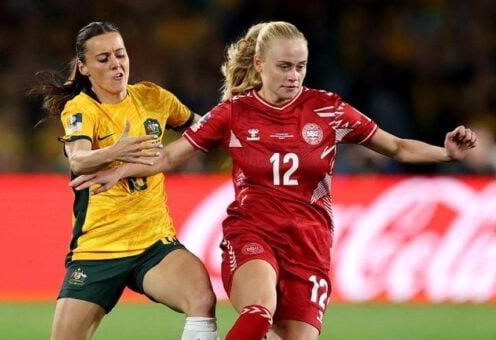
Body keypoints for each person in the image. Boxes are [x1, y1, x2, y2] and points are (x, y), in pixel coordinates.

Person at [70, 21, 477, 340]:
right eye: (284, 66)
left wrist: (446, 153)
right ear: (260, 65)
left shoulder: (329, 110)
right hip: (253, 232)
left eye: (300, 66)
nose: (293, 76)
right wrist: (122, 168)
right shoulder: (232, 113)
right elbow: (171, 156)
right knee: (257, 311)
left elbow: (399, 148)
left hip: (309, 244)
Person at [30, 21, 219, 340]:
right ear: (85, 68)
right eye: (103, 59)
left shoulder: (152, 98)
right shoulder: (82, 109)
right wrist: (116, 150)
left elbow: (203, 132)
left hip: (153, 243)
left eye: (120, 54)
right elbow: (78, 158)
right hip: (98, 250)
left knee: (202, 298)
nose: (116, 64)